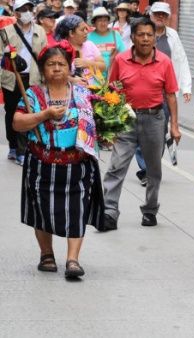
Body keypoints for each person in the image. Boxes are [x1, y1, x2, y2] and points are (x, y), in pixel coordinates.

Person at [13, 41, 105, 279]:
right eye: (51, 64)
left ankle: (73, 260)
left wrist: (106, 136)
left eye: (61, 64)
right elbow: (17, 123)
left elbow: (99, 124)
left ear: (69, 67)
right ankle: (46, 255)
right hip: (42, 163)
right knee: (41, 209)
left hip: (78, 163)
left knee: (78, 209)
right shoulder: (32, 94)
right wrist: (44, 114)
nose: (56, 69)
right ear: (43, 69)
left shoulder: (83, 93)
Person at [102, 17, 181, 230]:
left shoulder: (164, 61)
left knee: (153, 170)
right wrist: (110, 124)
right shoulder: (121, 60)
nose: (146, 39)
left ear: (155, 37)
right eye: (141, 35)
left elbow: (171, 95)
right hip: (126, 119)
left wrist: (174, 126)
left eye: (149, 35)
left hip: (155, 119)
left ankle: (150, 209)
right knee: (116, 166)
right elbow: (112, 91)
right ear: (133, 37)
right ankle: (109, 212)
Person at [134, 1, 192, 186]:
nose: (160, 17)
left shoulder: (172, 35)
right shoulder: (141, 32)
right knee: (139, 133)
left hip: (165, 93)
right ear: (150, 14)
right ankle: (146, 170)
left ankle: (150, 168)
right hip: (141, 90)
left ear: (167, 17)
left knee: (158, 134)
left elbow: (181, 60)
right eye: (157, 13)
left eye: (163, 15)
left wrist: (186, 87)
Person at [1, 0, 48, 166]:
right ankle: (13, 146)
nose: (27, 12)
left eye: (29, 8)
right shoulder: (5, 32)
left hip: (33, 78)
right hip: (12, 79)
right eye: (22, 9)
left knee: (28, 112)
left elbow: (44, 56)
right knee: (11, 112)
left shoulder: (40, 31)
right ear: (15, 13)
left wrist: (45, 77)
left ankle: (23, 150)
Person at [54, 15, 105, 86]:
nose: (86, 32)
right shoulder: (60, 50)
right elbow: (55, 74)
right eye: (82, 30)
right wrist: (72, 80)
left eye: (86, 29)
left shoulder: (90, 45)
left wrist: (87, 63)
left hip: (94, 91)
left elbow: (103, 66)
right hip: (70, 92)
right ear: (71, 33)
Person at [88, 6, 126, 78]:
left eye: (105, 20)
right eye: (99, 20)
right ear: (94, 22)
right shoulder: (88, 37)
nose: (103, 23)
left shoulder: (115, 34)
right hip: (94, 77)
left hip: (113, 76)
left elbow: (123, 54)